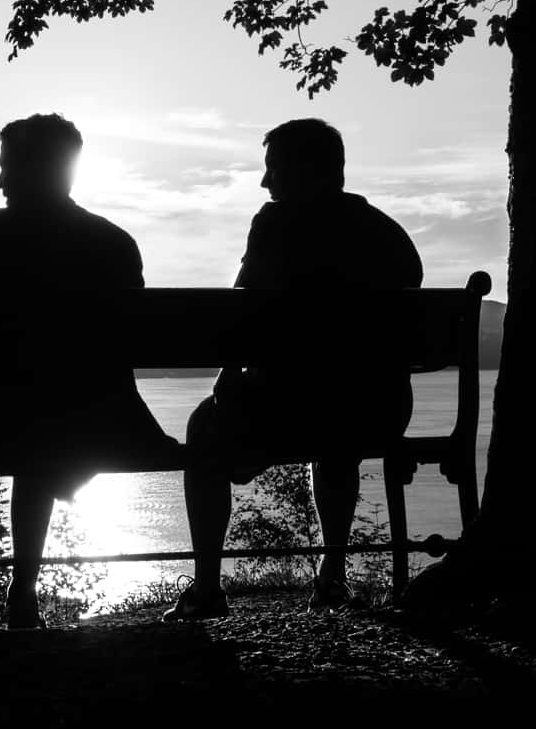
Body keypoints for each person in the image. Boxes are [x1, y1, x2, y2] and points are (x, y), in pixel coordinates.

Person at [0, 113, 172, 629]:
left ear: (35, 168)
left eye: (6, 166)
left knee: (31, 424)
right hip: (103, 423)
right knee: (48, 418)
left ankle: (23, 592)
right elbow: (129, 344)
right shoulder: (113, 242)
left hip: (0, 425)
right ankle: (26, 590)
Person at [163, 118, 423, 621]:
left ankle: (209, 589)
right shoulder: (387, 232)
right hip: (378, 409)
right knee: (337, 432)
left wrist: (228, 376)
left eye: (273, 168)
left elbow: (239, 312)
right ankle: (332, 575)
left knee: (204, 425)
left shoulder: (276, 224)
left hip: (300, 407)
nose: (265, 183)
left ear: (305, 170)